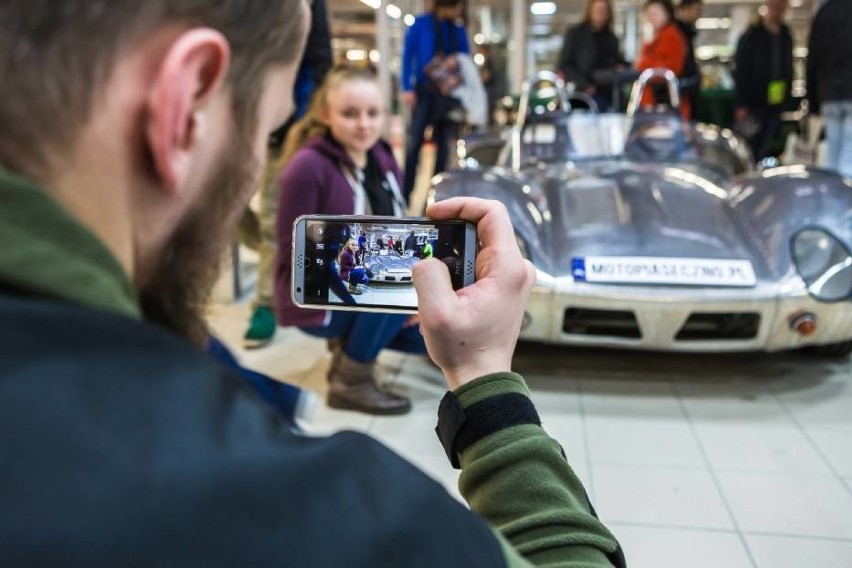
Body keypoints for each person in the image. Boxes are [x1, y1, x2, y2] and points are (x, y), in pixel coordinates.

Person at [0, 2, 625, 566]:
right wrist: (487, 380)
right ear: (185, 105)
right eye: (270, 127)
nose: (257, 169)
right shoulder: (322, 516)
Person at [273, 64, 423, 416]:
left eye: (373, 113)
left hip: (367, 280)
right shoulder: (307, 168)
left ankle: (350, 348)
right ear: (326, 115)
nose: (364, 124)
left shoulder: (383, 157)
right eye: (350, 114)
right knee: (393, 299)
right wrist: (401, 299)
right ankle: (350, 382)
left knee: (427, 337)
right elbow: (293, 253)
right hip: (316, 294)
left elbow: (399, 231)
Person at [240, 0, 332, 349]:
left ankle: (266, 302)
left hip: (288, 127)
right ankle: (276, 266)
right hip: (240, 116)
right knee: (227, 210)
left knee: (273, 217)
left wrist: (304, 121)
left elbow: (319, 60)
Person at [401, 0, 470, 202]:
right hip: (424, 93)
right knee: (414, 145)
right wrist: (407, 87)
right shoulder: (421, 24)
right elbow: (408, 56)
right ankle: (405, 196)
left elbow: (465, 60)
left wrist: (456, 61)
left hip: (448, 97)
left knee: (443, 150)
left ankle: (436, 199)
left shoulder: (457, 30)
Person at [733, 0, 793, 161]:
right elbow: (741, 71)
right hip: (754, 103)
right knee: (749, 145)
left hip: (775, 102)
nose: (779, 8)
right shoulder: (751, 36)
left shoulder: (785, 35)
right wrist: (741, 103)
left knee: (766, 144)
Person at [806, 0, 852, 177]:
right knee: (849, 156)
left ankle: (832, 198)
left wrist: (813, 102)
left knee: (832, 154)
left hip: (828, 94)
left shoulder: (823, 13)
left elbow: (813, 60)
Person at [557, 0, 622, 112]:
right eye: (597, 10)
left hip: (606, 94)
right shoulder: (575, 34)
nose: (600, 14)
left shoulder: (611, 38)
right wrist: (585, 85)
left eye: (604, 11)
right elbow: (565, 64)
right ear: (590, 11)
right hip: (580, 92)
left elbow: (615, 61)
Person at [636, 0, 691, 120]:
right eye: (649, 14)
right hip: (654, 103)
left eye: (655, 14)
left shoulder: (672, 36)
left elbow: (671, 70)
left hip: (663, 104)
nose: (651, 18)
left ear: (667, 13)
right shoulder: (657, 36)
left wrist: (644, 63)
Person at [675, 0, 703, 120]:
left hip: (687, 94)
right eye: (697, 10)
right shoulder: (676, 34)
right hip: (681, 96)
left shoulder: (687, 33)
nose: (699, 15)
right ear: (685, 8)